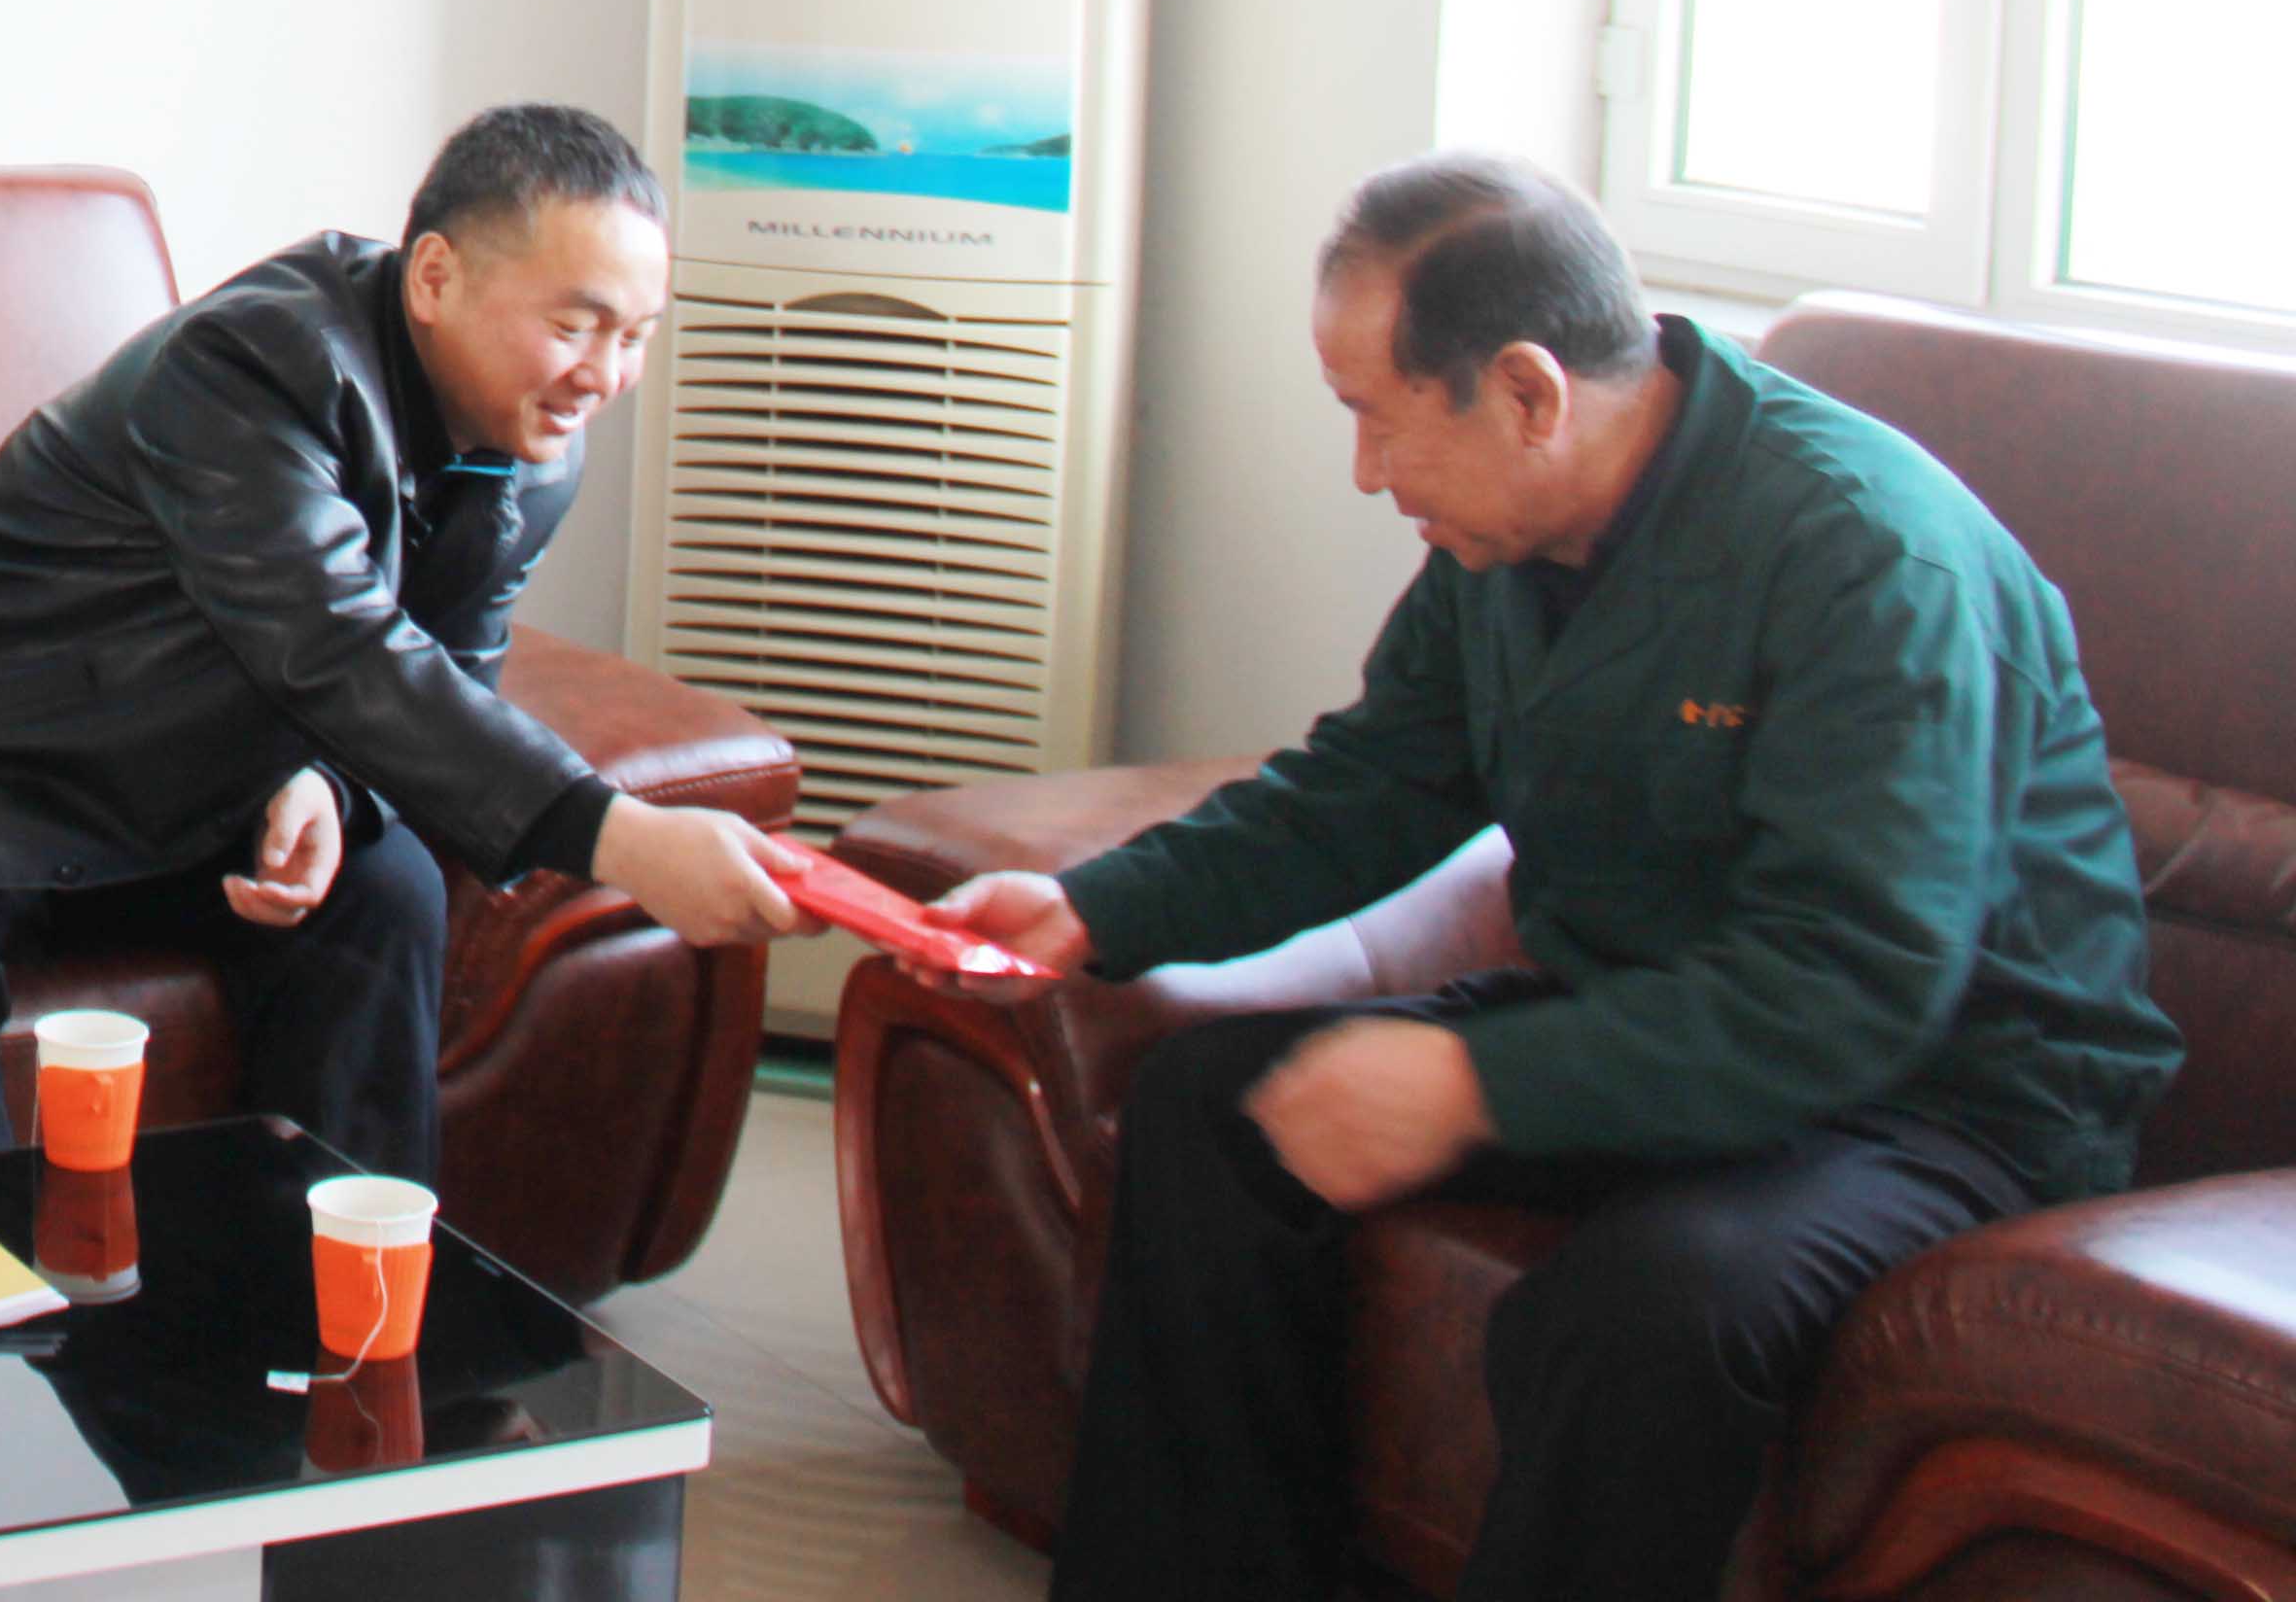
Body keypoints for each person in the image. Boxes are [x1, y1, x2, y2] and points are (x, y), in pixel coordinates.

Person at [931, 153, 2179, 1602]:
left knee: (1648, 1306)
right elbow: (1370, 784)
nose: (1367, 473)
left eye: (1376, 418)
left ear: (1528, 392)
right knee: (1218, 1110)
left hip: (1940, 1101)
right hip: (1648, 1024)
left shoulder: (1867, 556)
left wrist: (1478, 1084)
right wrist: (1100, 907)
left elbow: (1851, 981)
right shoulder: (1502, 537)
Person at [0, 103, 803, 1182]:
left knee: (384, 886)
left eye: (635, 337)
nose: (604, 375)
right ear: (436, 277)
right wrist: (620, 839)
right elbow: (334, 640)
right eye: (575, 325)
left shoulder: (534, 447)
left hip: (184, 788)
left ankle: (339, 1277)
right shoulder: (255, 365)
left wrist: (328, 781)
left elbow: (450, 675)